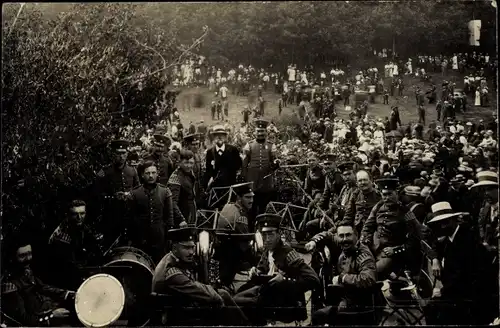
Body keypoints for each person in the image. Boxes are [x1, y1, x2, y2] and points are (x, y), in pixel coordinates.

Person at [233, 213, 320, 325]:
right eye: (264, 235)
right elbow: (263, 268)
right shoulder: (268, 250)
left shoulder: (288, 253)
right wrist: (255, 272)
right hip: (267, 294)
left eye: (271, 234)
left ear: (279, 234)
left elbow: (313, 280)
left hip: (284, 301)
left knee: (239, 304)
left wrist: (284, 280)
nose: (267, 239)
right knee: (235, 298)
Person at [151, 227, 249, 326]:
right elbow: (202, 292)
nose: (191, 252)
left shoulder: (170, 259)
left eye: (192, 247)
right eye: (186, 248)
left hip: (179, 309)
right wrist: (216, 295)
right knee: (221, 297)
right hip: (178, 318)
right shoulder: (172, 273)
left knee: (223, 295)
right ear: (175, 248)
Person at [424, 202, 489, 325]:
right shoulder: (449, 236)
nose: (442, 226)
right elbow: (435, 246)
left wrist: (442, 292)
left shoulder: (467, 240)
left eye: (445, 222)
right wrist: (435, 259)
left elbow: (463, 276)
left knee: (432, 309)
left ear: (455, 220)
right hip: (457, 289)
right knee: (430, 307)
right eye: (439, 224)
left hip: (471, 294)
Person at [311, 222, 377, 326]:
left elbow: (368, 279)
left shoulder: (362, 254)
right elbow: (327, 235)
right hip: (345, 299)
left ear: (356, 236)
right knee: (318, 315)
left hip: (360, 305)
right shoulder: (345, 246)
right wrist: (313, 242)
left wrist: (343, 278)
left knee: (322, 316)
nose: (345, 239)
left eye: (348, 235)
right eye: (341, 236)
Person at [2, 238, 77, 327]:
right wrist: (52, 315)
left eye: (29, 254)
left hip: (50, 308)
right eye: (22, 256)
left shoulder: (26, 271)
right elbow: (24, 319)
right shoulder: (11, 285)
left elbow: (42, 287)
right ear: (13, 258)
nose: (28, 258)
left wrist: (67, 293)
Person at [360, 177, 422, 279]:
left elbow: (414, 239)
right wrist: (364, 242)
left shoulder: (405, 212)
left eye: (390, 194)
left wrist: (396, 249)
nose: (387, 198)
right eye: (384, 195)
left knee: (372, 273)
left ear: (396, 194)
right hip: (374, 249)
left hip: (392, 255)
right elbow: (368, 227)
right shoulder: (378, 207)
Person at [126, 161, 176, 263]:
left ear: (157, 174)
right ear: (142, 175)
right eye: (147, 173)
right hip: (141, 238)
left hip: (160, 237)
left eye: (153, 173)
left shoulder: (165, 192)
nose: (151, 176)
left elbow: (169, 217)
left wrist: (168, 237)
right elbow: (131, 218)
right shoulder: (135, 194)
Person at [47, 200, 102, 290]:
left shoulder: (82, 227)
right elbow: (68, 266)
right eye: (74, 214)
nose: (79, 217)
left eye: (82, 213)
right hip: (65, 279)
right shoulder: (62, 235)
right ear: (68, 215)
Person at [95, 139, 140, 240]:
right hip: (111, 213)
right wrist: (112, 197)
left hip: (130, 213)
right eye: (118, 153)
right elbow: (97, 193)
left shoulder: (132, 170)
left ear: (127, 154)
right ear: (113, 154)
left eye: (123, 153)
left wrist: (130, 194)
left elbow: (139, 190)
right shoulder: (104, 172)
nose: (121, 156)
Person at [216, 182, 257, 289]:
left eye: (252, 197)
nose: (251, 201)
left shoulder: (228, 206)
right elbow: (245, 239)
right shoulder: (241, 216)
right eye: (247, 197)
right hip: (233, 251)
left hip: (221, 248)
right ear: (239, 198)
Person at [242, 118, 280, 216]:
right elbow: (245, 163)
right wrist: (245, 178)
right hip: (252, 180)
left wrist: (276, 163)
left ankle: (262, 225)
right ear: (255, 132)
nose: (260, 133)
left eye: (262, 131)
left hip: (266, 181)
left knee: (264, 205)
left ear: (266, 132)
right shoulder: (249, 145)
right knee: (251, 206)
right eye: (258, 131)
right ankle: (251, 226)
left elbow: (274, 159)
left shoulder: (271, 145)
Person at [204, 125, 242, 206]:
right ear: (213, 137)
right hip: (216, 188)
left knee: (230, 208)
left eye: (222, 135)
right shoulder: (210, 152)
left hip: (230, 185)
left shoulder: (232, 150)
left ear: (225, 137)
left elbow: (238, 165)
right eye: (217, 135)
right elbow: (208, 170)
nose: (219, 137)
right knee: (217, 207)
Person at [168, 149, 197, 225]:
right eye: (186, 163)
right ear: (180, 162)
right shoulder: (175, 177)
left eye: (191, 163)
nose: (189, 166)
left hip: (191, 213)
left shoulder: (190, 174)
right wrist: (181, 219)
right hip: (181, 217)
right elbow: (172, 202)